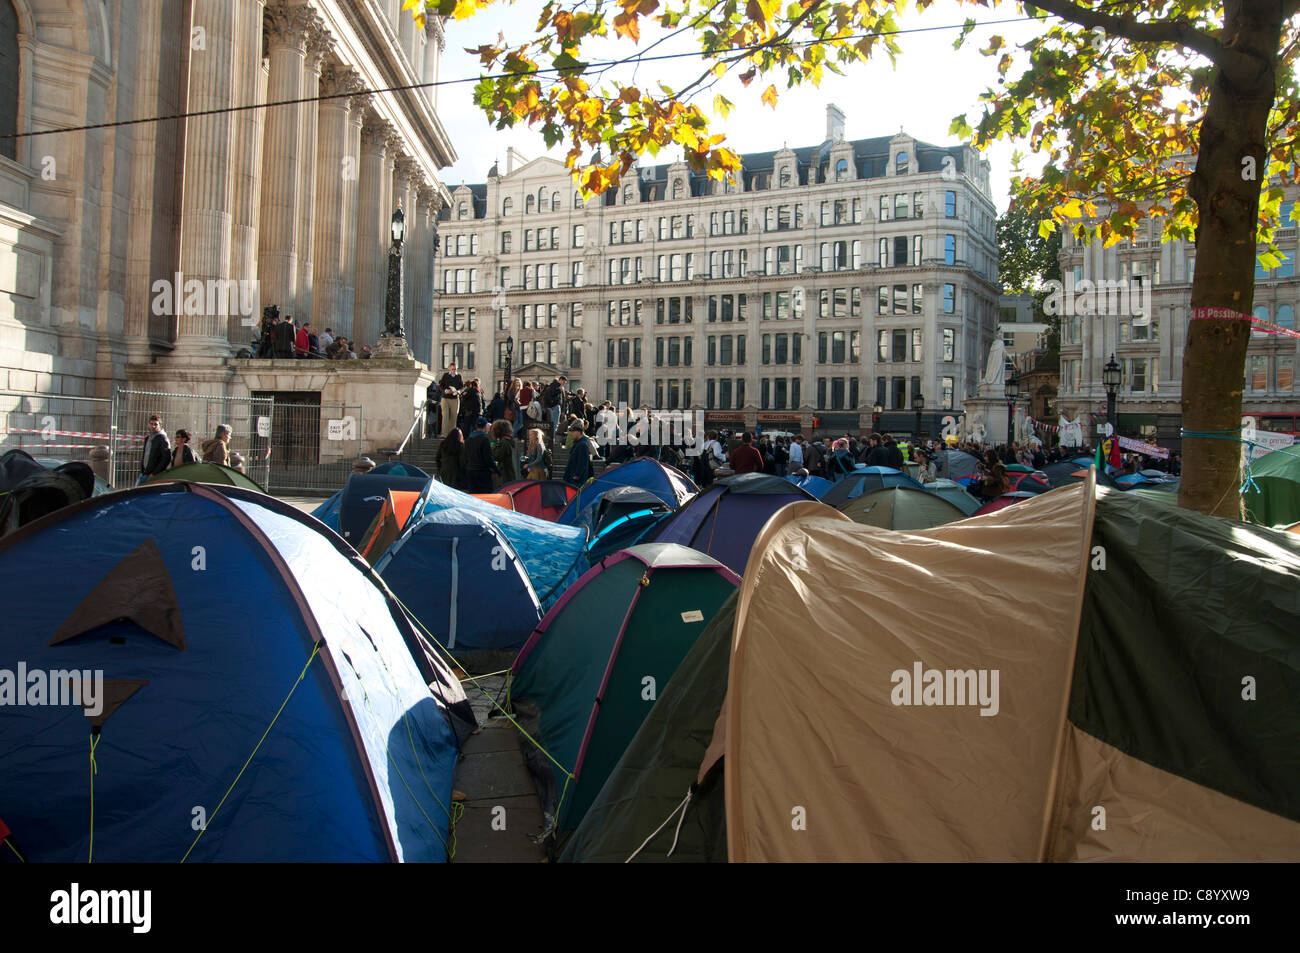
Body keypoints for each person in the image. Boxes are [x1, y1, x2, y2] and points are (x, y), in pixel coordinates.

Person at [463, 416, 498, 493]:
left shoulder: (469, 439)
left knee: (474, 496)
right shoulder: (484, 439)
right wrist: (496, 470)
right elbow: (488, 458)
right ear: (485, 426)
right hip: (483, 472)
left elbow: (465, 456)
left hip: (471, 471)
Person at [137, 414, 171, 485]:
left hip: (154, 476)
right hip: (144, 473)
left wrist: (154, 473)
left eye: (156, 424)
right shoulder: (148, 438)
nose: (153, 426)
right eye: (151, 424)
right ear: (148, 425)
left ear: (160, 426)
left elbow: (166, 458)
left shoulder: (162, 438)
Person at [491, 419, 521, 486]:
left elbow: (497, 456)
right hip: (513, 475)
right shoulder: (512, 441)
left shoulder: (504, 442)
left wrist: (494, 446)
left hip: (506, 476)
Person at [438, 362, 464, 438]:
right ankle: (444, 434)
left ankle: (452, 434)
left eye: (455, 369)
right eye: (452, 369)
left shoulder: (459, 376)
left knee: (454, 416)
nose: (454, 370)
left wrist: (458, 391)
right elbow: (441, 386)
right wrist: (446, 390)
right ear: (450, 368)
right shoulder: (446, 375)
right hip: (445, 398)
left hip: (455, 398)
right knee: (445, 415)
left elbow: (462, 387)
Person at [563, 422, 593, 486]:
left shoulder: (582, 444)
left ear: (579, 432)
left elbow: (582, 462)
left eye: (573, 431)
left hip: (576, 480)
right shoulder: (579, 443)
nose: (571, 434)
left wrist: (577, 475)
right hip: (573, 477)